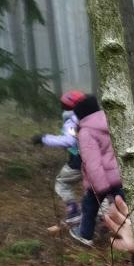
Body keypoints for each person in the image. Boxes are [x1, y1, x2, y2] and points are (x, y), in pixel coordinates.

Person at [68, 94, 123, 247]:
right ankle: (130, 233)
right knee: (123, 206)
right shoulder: (109, 122)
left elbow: (92, 162)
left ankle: (85, 234)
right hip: (119, 175)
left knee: (89, 206)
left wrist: (100, 186)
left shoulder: (86, 132)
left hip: (101, 178)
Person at [32, 89, 86, 225]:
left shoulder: (72, 121)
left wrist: (44, 138)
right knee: (98, 188)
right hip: (97, 159)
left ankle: (73, 211)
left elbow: (70, 141)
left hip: (80, 160)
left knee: (62, 183)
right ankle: (105, 217)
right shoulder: (91, 116)